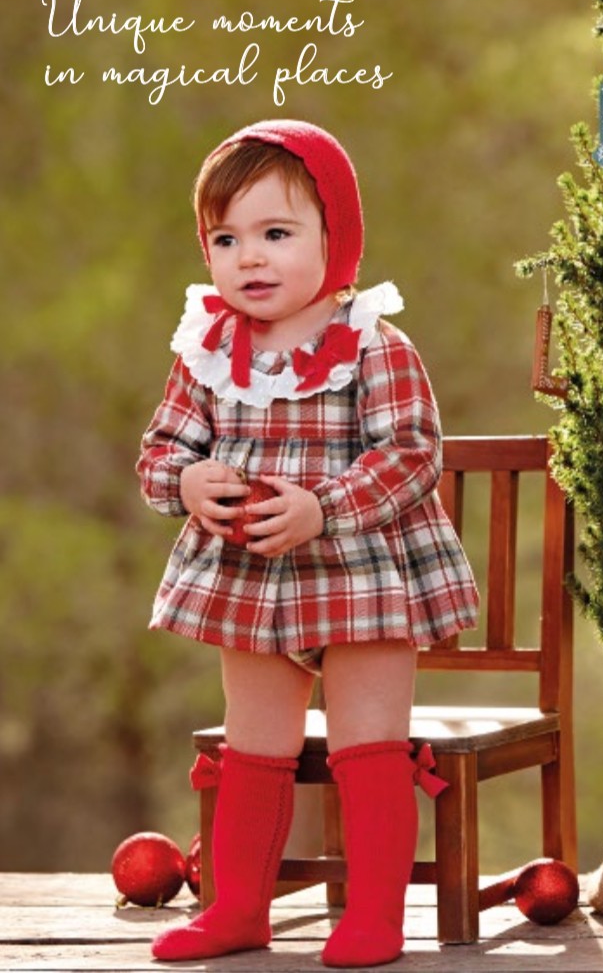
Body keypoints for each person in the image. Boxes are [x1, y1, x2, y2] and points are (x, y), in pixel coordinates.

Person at [136, 119, 479, 967]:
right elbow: (160, 451)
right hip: (251, 573)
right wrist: (186, 483)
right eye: (227, 237)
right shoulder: (207, 351)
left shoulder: (373, 344)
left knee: (370, 743)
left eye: (276, 233)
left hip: (360, 570)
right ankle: (240, 908)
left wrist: (323, 507)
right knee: (254, 742)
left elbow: (410, 455)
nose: (249, 257)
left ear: (338, 240)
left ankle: (373, 917)